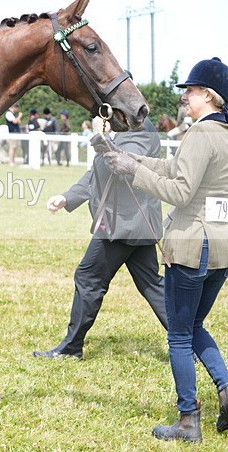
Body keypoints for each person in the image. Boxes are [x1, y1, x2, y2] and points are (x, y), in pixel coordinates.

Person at [99, 57, 228, 443]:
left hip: (192, 245)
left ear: (207, 95)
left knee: (179, 335)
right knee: (194, 325)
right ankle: (225, 389)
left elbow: (179, 191)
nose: (184, 97)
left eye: (189, 91)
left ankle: (188, 420)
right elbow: (175, 168)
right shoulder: (221, 133)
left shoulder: (202, 135)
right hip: (221, 246)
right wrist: (131, 157)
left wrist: (133, 173)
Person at [34, 116, 167, 360]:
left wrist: (100, 134)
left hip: (124, 224)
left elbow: (122, 168)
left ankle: (72, 348)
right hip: (132, 224)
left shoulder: (140, 130)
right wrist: (68, 197)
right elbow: (99, 172)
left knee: (88, 277)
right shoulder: (121, 129)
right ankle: (189, 341)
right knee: (152, 285)